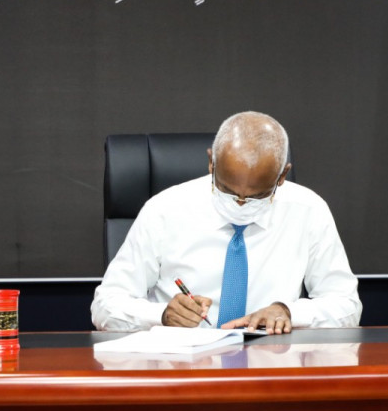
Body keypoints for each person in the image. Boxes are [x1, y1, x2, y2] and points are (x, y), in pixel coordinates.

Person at [91, 111, 362, 333]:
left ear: (282, 177)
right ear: (211, 163)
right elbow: (105, 306)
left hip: (268, 368)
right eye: (228, 191)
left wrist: (290, 311)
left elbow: (347, 305)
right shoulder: (165, 209)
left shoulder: (308, 210)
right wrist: (160, 314)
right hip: (182, 369)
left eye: (258, 195)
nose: (241, 203)